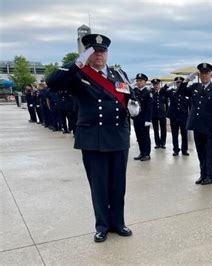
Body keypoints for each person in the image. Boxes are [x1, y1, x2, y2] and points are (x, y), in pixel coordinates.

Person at [46, 33, 139, 243]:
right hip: (93, 138)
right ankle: (102, 226)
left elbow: (129, 97)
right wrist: (78, 61)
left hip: (118, 135)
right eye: (94, 51)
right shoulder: (78, 74)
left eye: (102, 51)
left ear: (107, 54)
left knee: (118, 184)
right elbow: (52, 82)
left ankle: (118, 223)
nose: (99, 55)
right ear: (87, 53)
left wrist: (134, 106)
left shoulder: (119, 74)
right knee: (98, 185)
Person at [177, 63, 212, 185]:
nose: (204, 76)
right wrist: (186, 80)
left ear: (211, 75)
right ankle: (203, 174)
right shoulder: (195, 87)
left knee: (210, 152)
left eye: (206, 73)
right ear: (199, 75)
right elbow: (180, 92)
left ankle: (210, 175)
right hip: (197, 125)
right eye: (202, 73)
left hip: (209, 127)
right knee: (201, 151)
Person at [162, 77, 190, 156]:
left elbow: (191, 105)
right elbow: (162, 92)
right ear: (175, 83)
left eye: (180, 82)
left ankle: (184, 150)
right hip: (174, 116)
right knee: (175, 134)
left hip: (184, 117)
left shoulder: (187, 92)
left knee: (184, 134)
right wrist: (167, 85)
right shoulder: (171, 91)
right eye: (177, 82)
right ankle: (176, 150)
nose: (179, 84)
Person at [132, 73, 153, 161]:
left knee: (145, 137)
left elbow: (150, 108)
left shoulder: (148, 93)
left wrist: (148, 119)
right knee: (139, 137)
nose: (138, 82)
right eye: (137, 81)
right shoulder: (135, 91)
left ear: (145, 82)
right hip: (137, 118)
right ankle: (141, 153)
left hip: (145, 119)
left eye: (140, 81)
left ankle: (147, 154)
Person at [150, 78, 168, 149]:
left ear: (159, 84)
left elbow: (166, 104)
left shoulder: (163, 92)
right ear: (153, 85)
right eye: (155, 84)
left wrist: (166, 113)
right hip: (154, 114)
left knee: (163, 129)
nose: (156, 86)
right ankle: (157, 143)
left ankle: (163, 143)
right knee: (156, 129)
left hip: (162, 114)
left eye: (157, 84)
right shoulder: (151, 93)